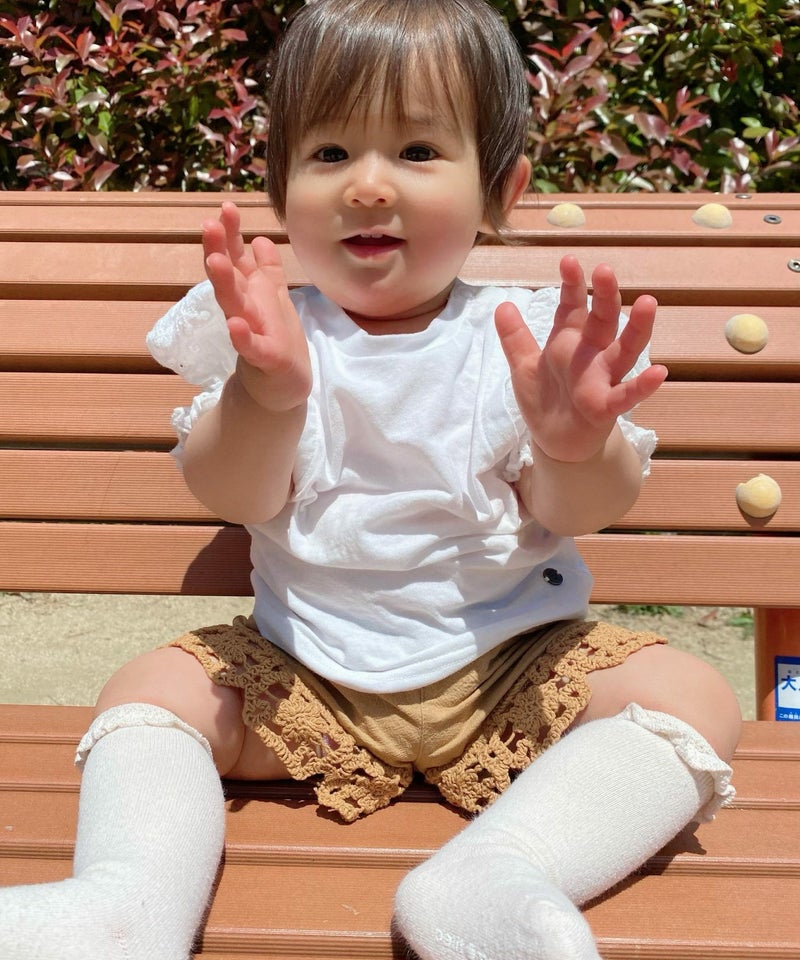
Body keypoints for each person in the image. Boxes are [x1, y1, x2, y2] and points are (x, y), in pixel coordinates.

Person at [0, 1, 741, 958]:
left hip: (513, 667)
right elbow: (235, 496)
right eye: (330, 152)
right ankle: (124, 905)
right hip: (304, 674)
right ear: (281, 187)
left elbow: (582, 511)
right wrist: (266, 395)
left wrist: (572, 445)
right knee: (152, 690)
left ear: (501, 190)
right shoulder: (271, 329)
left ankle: (500, 873)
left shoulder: (519, 339)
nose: (368, 185)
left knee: (692, 694)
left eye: (419, 151)